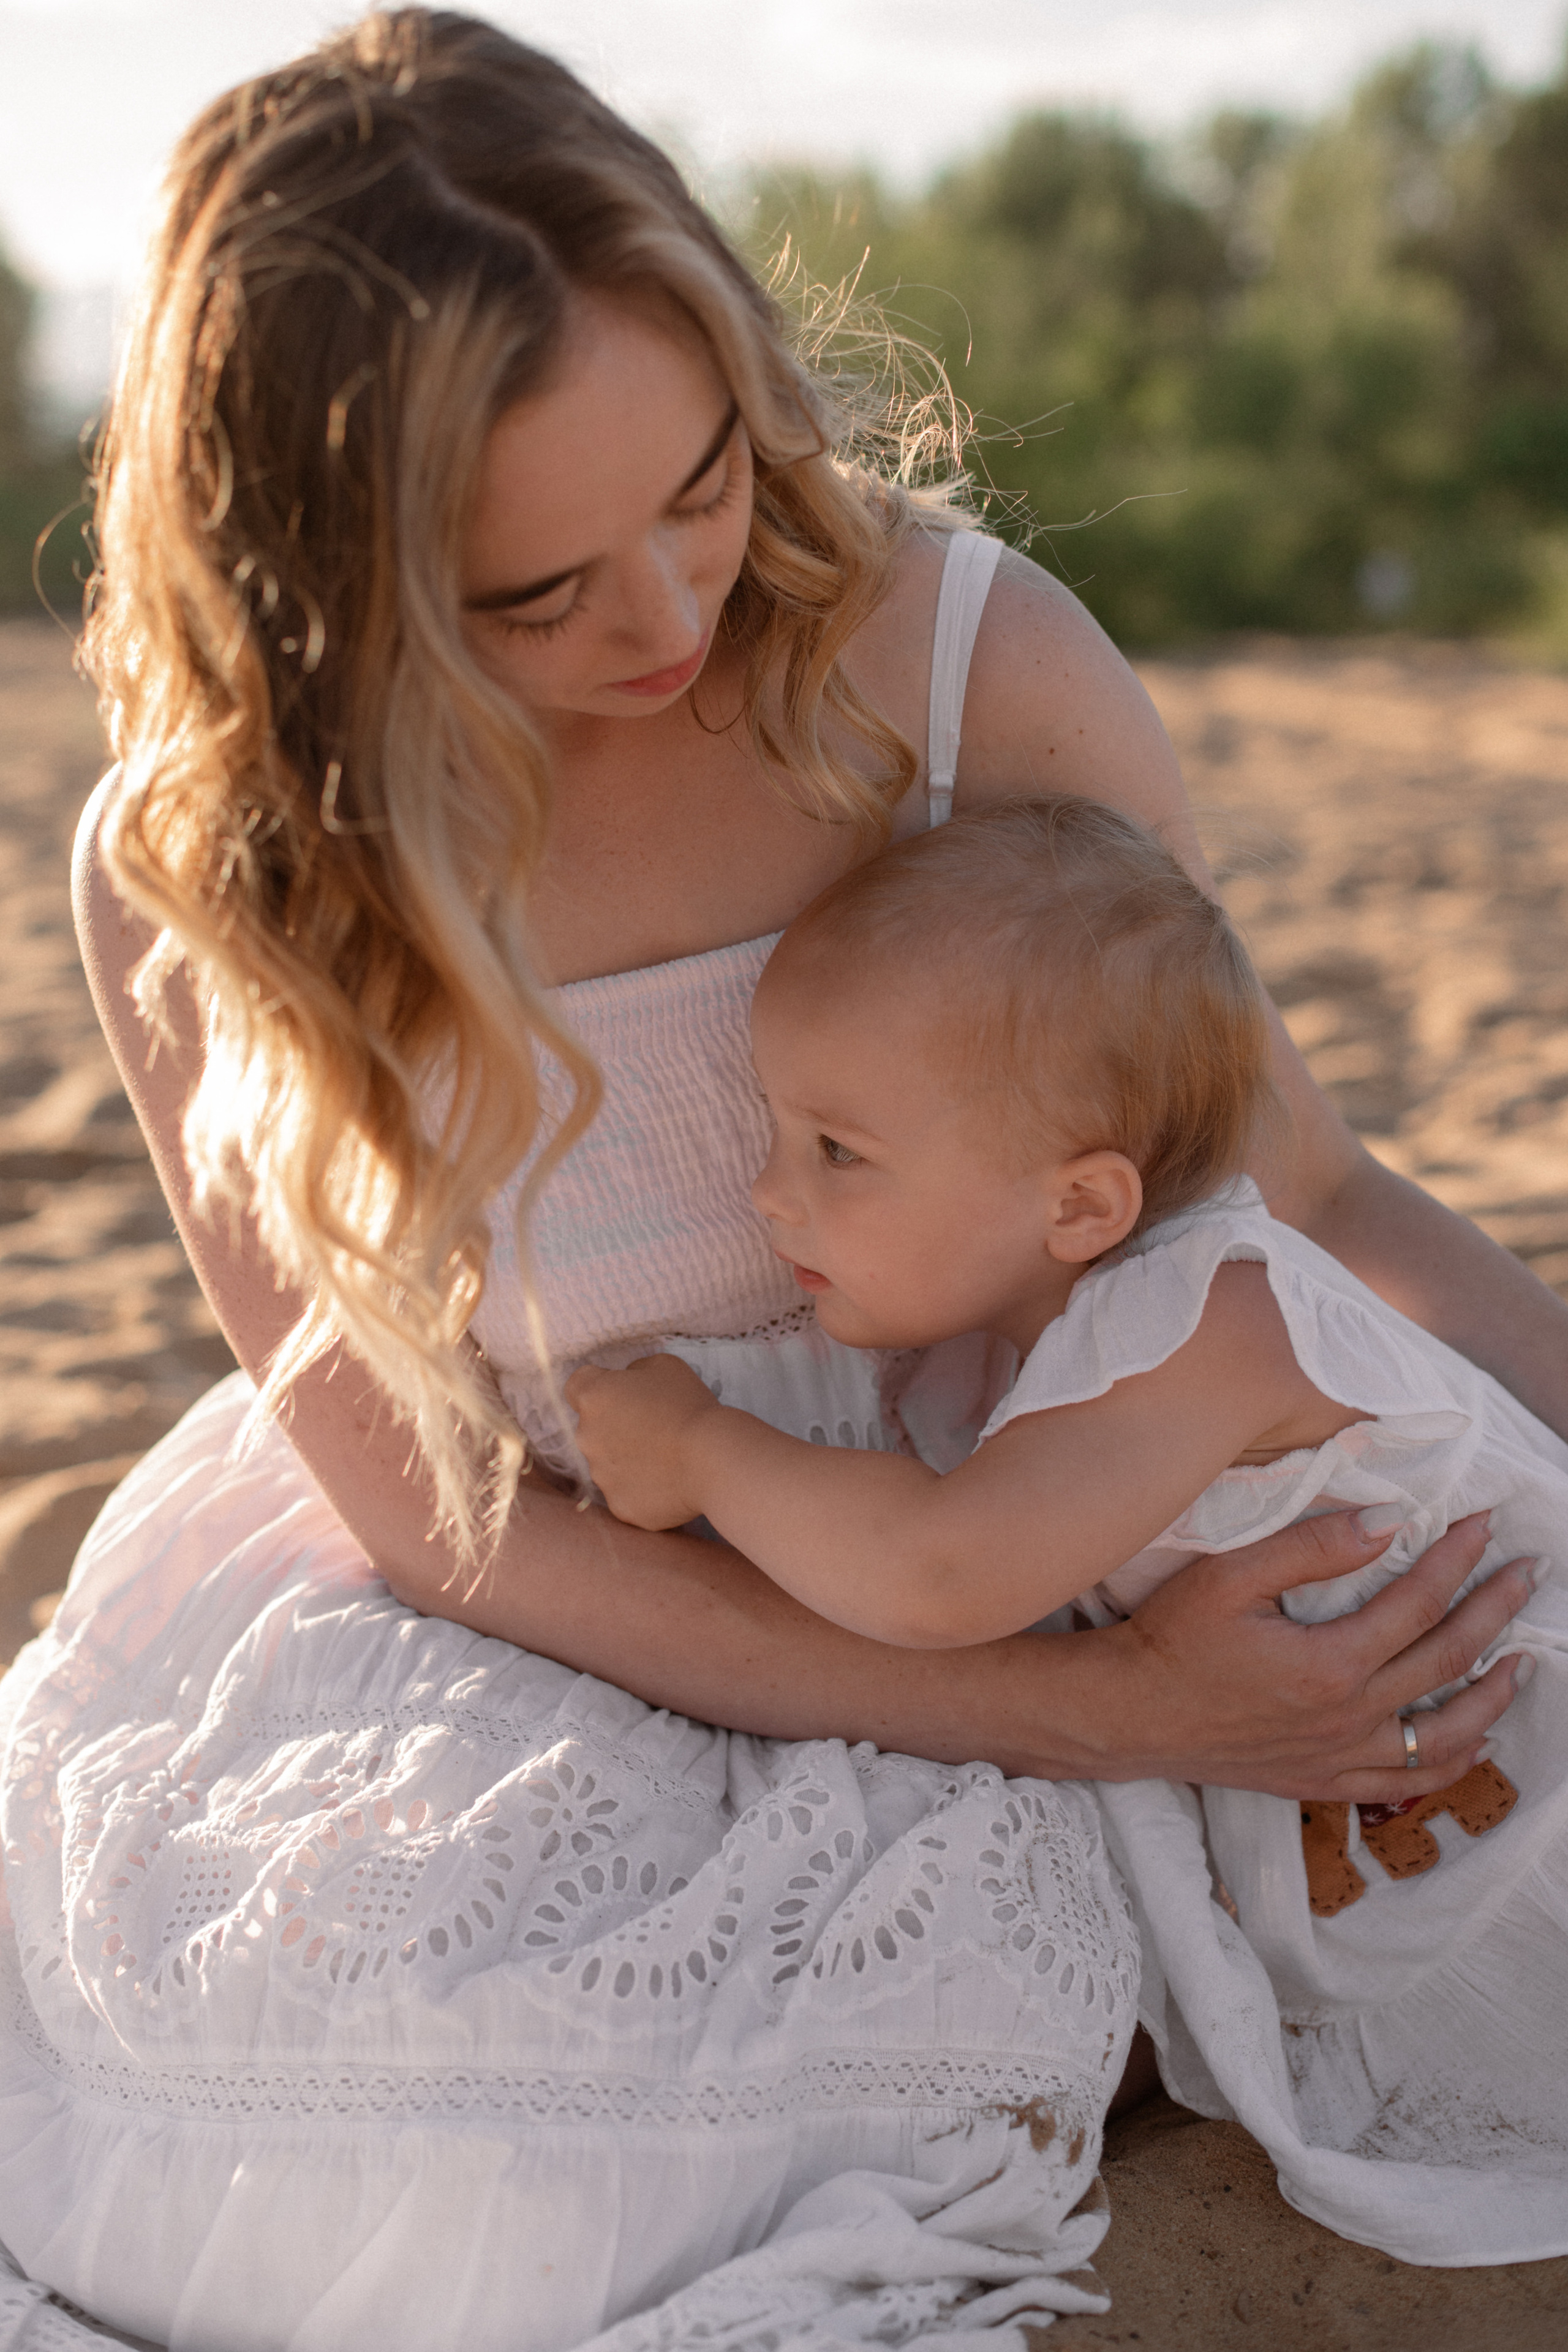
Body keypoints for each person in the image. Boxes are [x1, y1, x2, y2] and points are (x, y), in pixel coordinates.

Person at [0, 9, 1545, 2348]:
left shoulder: (960, 666)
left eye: (704, 481)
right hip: (563, 1593)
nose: (668, 617)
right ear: (316, 597)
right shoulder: (199, 874)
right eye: (535, 594)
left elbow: (1308, 1194)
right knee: (353, 2084)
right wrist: (1122, 1714)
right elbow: (438, 1522)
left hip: (1005, 1536)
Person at [570, 793, 1568, 2262]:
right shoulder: (1047, 1336)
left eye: (836, 1150)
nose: (768, 1192)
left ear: (1082, 1204)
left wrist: (702, 1451)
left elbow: (938, 1570)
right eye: (777, 1130)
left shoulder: (1209, 1320)